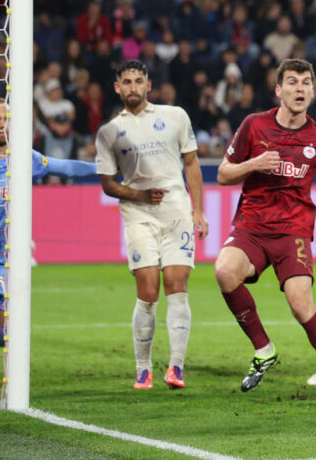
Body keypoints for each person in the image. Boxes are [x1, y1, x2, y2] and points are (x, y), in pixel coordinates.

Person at [213, 58, 316, 405]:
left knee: (300, 305)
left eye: (306, 83)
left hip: (292, 232)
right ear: (278, 90)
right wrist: (253, 164)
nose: (300, 89)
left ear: (312, 90)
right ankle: (264, 349)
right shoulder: (254, 125)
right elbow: (223, 173)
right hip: (251, 226)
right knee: (224, 271)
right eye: (292, 82)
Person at [95, 60, 207, 390]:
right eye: (126, 81)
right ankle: (143, 368)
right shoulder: (109, 132)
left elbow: (192, 164)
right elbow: (107, 184)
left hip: (176, 211)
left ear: (148, 85)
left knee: (177, 284)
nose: (132, 87)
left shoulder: (174, 116)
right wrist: (140, 195)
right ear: (117, 87)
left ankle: (176, 368)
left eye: (138, 81)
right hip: (139, 214)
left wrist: (198, 212)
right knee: (147, 289)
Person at [0, 99, 97, 382]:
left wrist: (103, 169)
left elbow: (65, 168)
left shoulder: (22, 157)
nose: (2, 124)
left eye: (6, 118)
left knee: (12, 328)